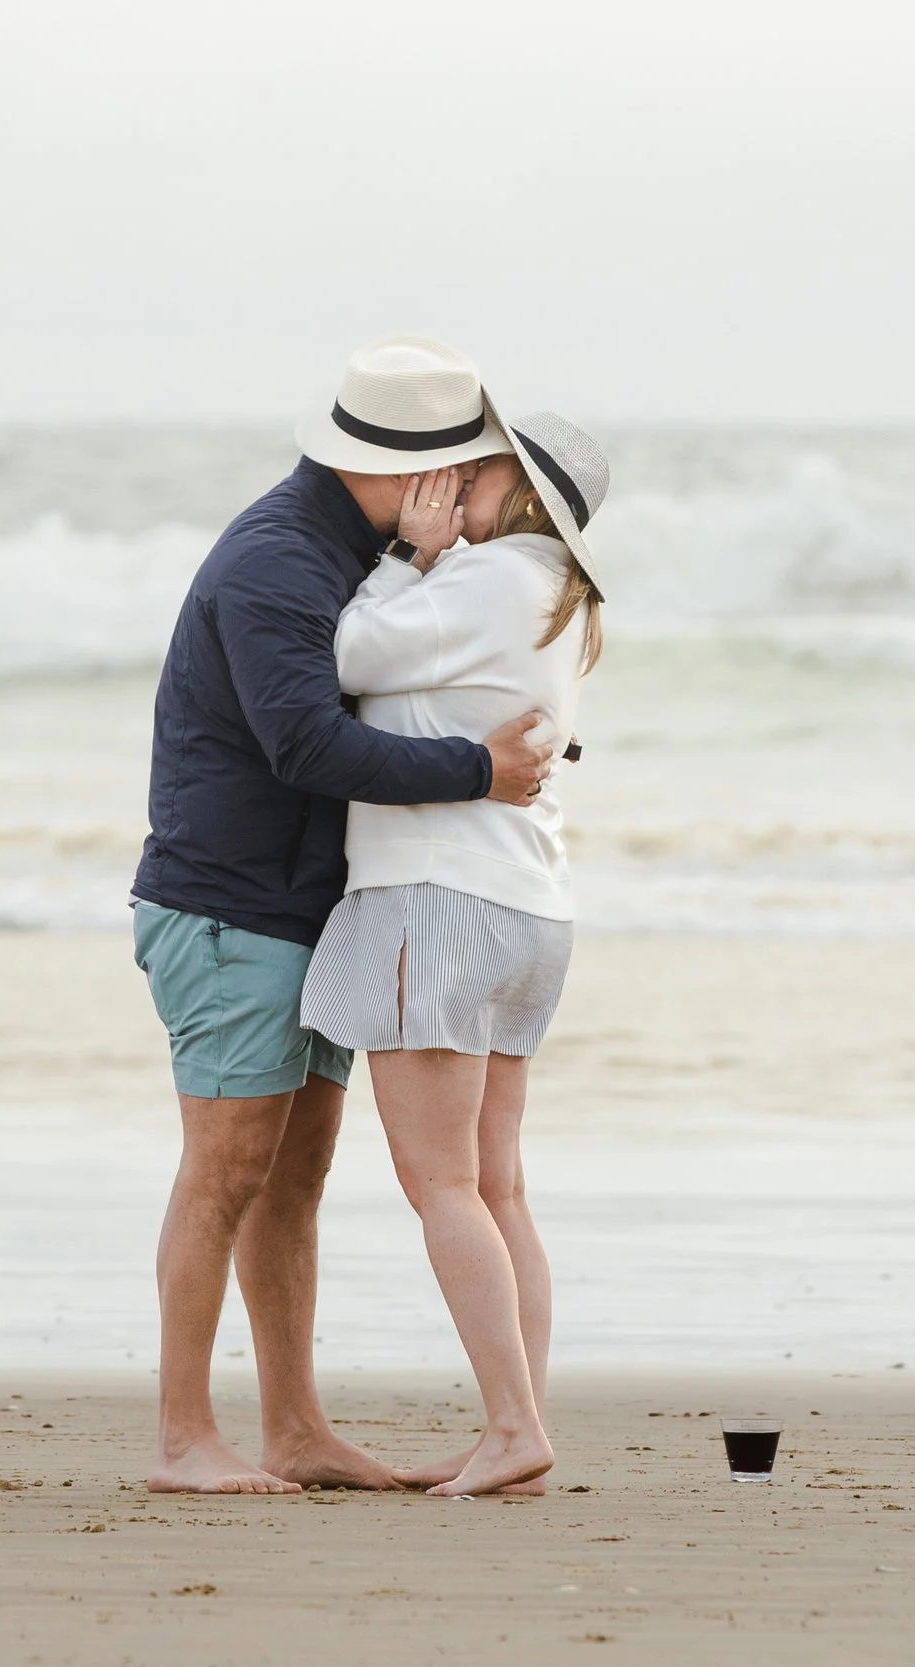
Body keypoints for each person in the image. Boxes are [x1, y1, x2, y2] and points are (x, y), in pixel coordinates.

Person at [130, 337, 554, 1495]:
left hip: (308, 907)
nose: (474, 488)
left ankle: (295, 1429)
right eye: (465, 466)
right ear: (413, 469)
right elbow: (306, 743)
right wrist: (481, 770)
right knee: (223, 1169)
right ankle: (182, 1439)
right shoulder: (278, 559)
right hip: (230, 905)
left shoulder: (359, 555)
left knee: (294, 1178)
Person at [298, 407, 611, 1497]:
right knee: (497, 1186)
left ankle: (515, 1425)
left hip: (439, 893)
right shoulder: (566, 601)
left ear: (517, 488)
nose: (446, 481)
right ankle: (511, 1430)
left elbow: (336, 652)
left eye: (471, 470)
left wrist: (404, 555)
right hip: (527, 903)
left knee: (442, 1183)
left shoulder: (483, 580)